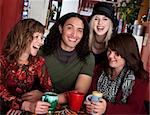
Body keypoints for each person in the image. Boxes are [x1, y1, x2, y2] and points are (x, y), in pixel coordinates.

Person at [85, 33, 149, 114]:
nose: (110, 56)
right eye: (109, 51)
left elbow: (134, 109)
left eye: (117, 53)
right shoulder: (99, 69)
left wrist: (107, 108)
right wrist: (89, 104)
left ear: (127, 54)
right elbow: (90, 93)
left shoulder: (140, 77)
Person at [0, 19, 53, 114]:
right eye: (36, 37)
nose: (41, 42)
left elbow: (49, 91)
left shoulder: (39, 62)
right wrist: (23, 105)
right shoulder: (2, 61)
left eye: (41, 38)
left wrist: (41, 96)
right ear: (23, 37)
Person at [41, 12, 95, 104]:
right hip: (37, 106)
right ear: (61, 29)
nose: (74, 34)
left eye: (79, 30)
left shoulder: (87, 58)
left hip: (66, 107)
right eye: (70, 28)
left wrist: (44, 97)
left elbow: (79, 93)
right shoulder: (42, 52)